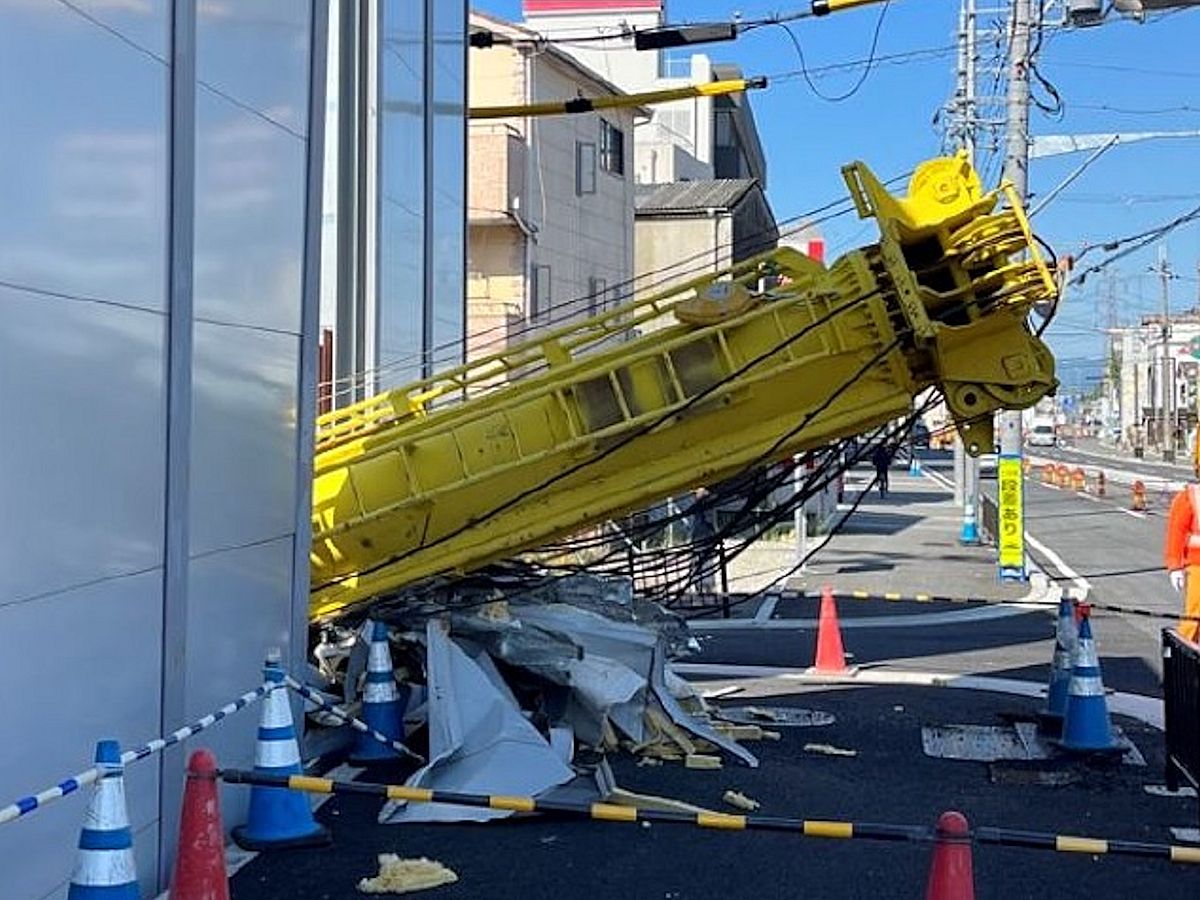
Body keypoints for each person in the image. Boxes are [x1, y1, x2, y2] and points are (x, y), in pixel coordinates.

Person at [1164, 440, 1200, 643]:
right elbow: (1176, 531)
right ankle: (1184, 660)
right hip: (1197, 568)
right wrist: (1175, 566)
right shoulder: (1191, 497)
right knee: (1194, 617)